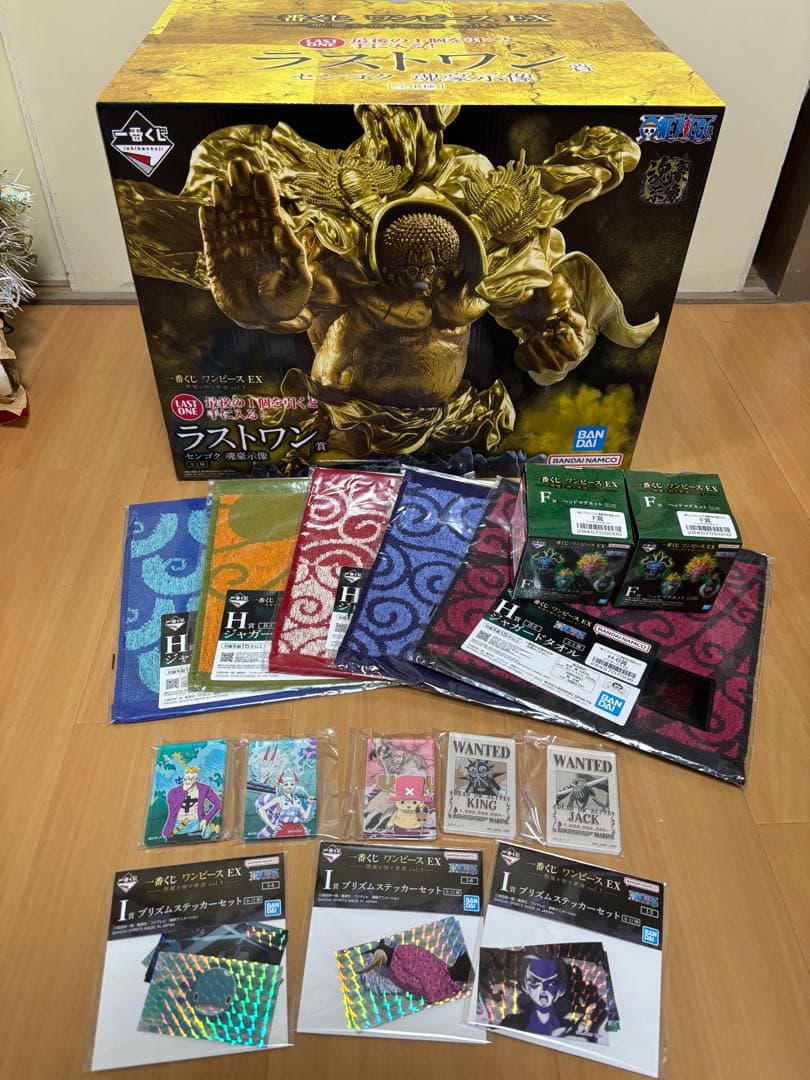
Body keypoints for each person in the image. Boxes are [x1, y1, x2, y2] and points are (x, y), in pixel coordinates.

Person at [500, 954, 569, 1036]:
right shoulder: (511, 1023)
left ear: (561, 987)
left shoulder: (570, 1028)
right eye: (534, 981)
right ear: (525, 985)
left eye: (552, 982)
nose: (543, 988)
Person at [161, 765, 221, 840]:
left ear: (196, 779)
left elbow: (218, 803)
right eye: (186, 778)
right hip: (177, 828)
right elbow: (173, 811)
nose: (188, 781)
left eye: (191, 778)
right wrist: (184, 791)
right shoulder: (173, 792)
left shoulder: (204, 789)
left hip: (196, 826)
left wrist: (206, 819)